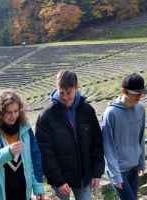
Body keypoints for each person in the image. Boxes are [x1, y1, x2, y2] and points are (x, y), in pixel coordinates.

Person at [35, 69, 105, 200]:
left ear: (77, 88)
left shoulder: (88, 111)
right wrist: (58, 180)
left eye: (69, 92)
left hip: (84, 175)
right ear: (56, 88)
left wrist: (96, 173)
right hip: (60, 178)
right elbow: (45, 152)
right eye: (61, 92)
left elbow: (96, 143)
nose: (65, 97)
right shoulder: (46, 116)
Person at [0, 89, 45, 200]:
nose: (13, 116)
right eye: (9, 112)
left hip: (23, 192)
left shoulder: (26, 128)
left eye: (16, 111)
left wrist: (38, 187)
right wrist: (8, 152)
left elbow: (35, 156)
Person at [101, 73, 147, 200]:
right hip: (118, 169)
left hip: (134, 166)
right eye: (135, 94)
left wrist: (141, 163)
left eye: (141, 93)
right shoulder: (110, 114)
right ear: (123, 91)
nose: (139, 96)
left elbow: (141, 137)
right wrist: (115, 175)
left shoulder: (141, 109)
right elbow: (107, 146)